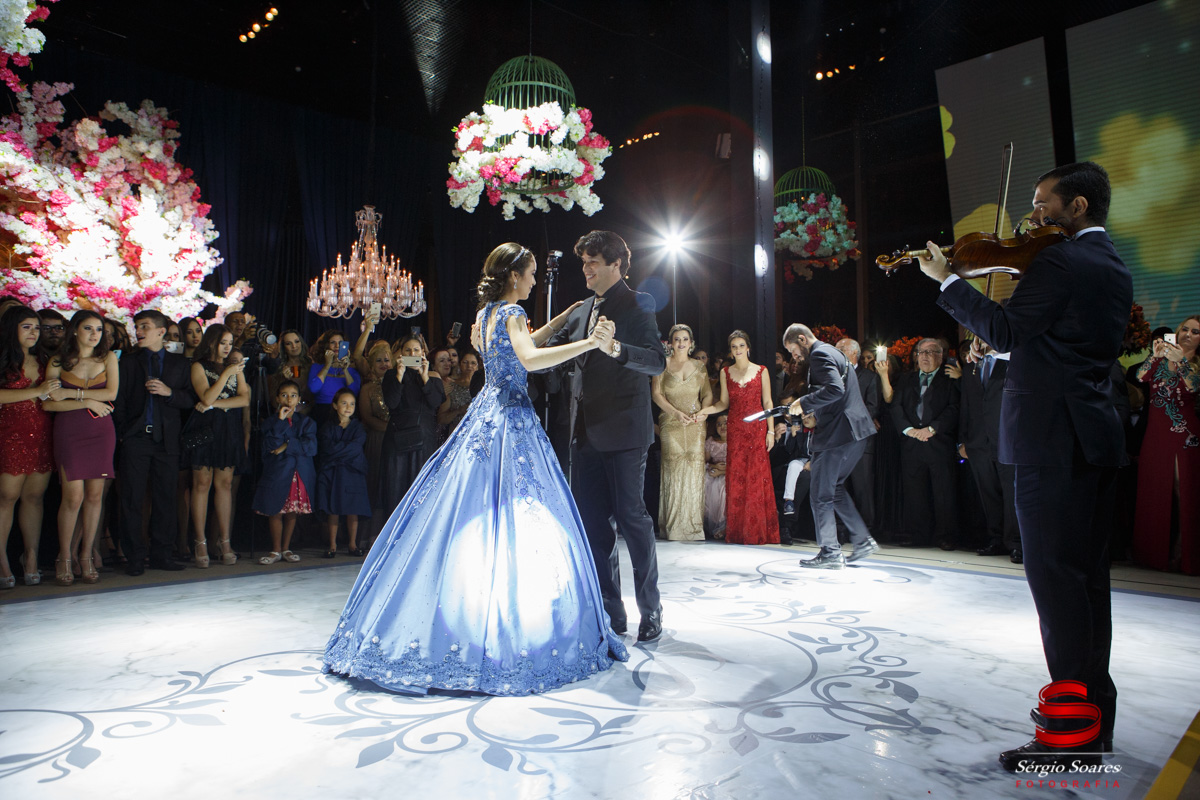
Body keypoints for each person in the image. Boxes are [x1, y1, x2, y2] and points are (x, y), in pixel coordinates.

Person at [322, 242, 629, 695]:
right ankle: (508, 620)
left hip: (484, 415)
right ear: (513, 276)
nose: (534, 281)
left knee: (468, 509)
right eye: (530, 274)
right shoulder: (512, 314)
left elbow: (521, 344)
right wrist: (588, 342)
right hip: (511, 419)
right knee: (516, 512)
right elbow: (528, 358)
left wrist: (563, 319)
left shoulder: (487, 315)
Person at [920, 161, 1132, 771]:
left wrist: (945, 279)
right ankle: (1094, 725)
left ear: (1079, 206)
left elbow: (1006, 330)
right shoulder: (1113, 265)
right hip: (1092, 439)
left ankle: (1070, 740)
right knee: (1087, 587)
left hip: (1051, 443)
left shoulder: (1059, 261)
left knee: (1058, 591)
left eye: (1043, 204)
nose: (1032, 216)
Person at [542, 230, 667, 641]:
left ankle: (651, 609)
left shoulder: (637, 304)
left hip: (626, 432)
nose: (586, 270)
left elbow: (656, 362)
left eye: (593, 262)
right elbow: (545, 357)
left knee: (633, 520)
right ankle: (611, 613)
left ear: (616, 264)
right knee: (594, 525)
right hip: (583, 435)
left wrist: (615, 349)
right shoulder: (580, 311)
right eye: (584, 263)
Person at [782, 324, 878, 568]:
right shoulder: (834, 352)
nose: (794, 357)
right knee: (833, 489)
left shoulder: (819, 354)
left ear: (802, 339)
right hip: (855, 433)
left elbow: (835, 389)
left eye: (793, 350)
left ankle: (830, 552)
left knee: (821, 494)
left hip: (838, 435)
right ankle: (862, 540)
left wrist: (804, 402)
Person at [113, 310, 194, 576]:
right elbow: (118, 401)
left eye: (144, 326)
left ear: (161, 331)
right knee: (132, 499)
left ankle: (162, 554)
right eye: (137, 326)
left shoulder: (180, 364)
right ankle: (135, 557)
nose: (138, 331)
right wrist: (123, 433)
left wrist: (170, 393)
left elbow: (191, 400)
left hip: (167, 440)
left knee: (166, 499)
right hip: (136, 438)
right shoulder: (128, 362)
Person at [43, 311, 118, 585]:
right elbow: (49, 403)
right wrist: (87, 402)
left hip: (101, 431)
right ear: (75, 330)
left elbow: (111, 394)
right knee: (72, 498)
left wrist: (72, 394)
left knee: (95, 497)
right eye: (88, 328)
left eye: (99, 329)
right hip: (70, 431)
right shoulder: (57, 361)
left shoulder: (108, 358)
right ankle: (64, 557)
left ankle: (85, 556)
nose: (95, 334)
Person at [697, 330, 780, 546]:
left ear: (748, 347)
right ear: (731, 350)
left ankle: (757, 531)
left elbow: (768, 403)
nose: (738, 349)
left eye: (741, 345)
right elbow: (724, 403)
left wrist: (771, 431)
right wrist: (706, 411)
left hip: (756, 430)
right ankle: (737, 532)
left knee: (756, 477)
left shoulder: (761, 371)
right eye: (734, 346)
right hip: (735, 430)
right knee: (737, 478)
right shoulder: (726, 372)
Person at [1132, 315, 1199, 574]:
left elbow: (1192, 387)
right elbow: (1140, 376)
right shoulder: (1159, 361)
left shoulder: (1195, 364)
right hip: (1156, 433)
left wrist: (1180, 361)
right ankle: (1151, 554)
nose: (1188, 335)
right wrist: (1155, 355)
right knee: (1154, 488)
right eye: (1185, 329)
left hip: (1184, 433)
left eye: (1195, 332)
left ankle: (1183, 553)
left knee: (1185, 492)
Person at [0, 306, 59, 588]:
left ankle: (31, 557)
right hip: (9, 434)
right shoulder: (3, 360)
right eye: (27, 327)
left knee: (34, 497)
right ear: (12, 328)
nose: (34, 332)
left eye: (37, 327)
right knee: (7, 497)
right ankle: (2, 560)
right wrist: (36, 390)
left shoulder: (46, 359)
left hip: (43, 434)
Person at [185, 323, 249, 568]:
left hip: (228, 429)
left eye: (230, 343)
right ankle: (200, 541)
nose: (227, 348)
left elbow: (243, 399)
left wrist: (214, 405)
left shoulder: (235, 367)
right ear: (211, 342)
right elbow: (207, 396)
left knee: (225, 484)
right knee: (201, 483)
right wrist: (225, 375)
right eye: (223, 343)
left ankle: (225, 541)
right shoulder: (198, 366)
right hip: (204, 429)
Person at [889, 338, 960, 549]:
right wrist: (909, 430)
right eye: (921, 352)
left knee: (943, 492)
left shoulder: (950, 379)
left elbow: (954, 408)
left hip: (939, 442)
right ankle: (919, 535)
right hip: (912, 443)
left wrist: (931, 429)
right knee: (915, 492)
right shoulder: (907, 379)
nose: (925, 357)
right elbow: (896, 406)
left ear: (941, 356)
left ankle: (946, 536)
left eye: (930, 352)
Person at [959, 338, 1021, 562]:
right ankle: (996, 539)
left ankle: (1016, 543)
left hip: (1007, 439)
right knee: (988, 493)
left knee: (1011, 494)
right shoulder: (971, 366)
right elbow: (966, 404)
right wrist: (962, 440)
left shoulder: (1013, 362)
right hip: (978, 441)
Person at [651, 324, 712, 542]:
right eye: (677, 339)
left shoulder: (699, 366)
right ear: (670, 343)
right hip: (671, 422)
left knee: (694, 471)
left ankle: (694, 528)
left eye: (685, 339)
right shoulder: (662, 364)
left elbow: (707, 394)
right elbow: (656, 394)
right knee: (673, 471)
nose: (681, 343)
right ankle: (673, 528)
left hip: (696, 424)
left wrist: (704, 412)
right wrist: (675, 413)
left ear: (691, 343)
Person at [379, 334, 445, 512]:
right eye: (407, 350)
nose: (412, 353)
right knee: (396, 486)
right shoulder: (392, 375)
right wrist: (399, 375)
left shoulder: (433, 376)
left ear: (423, 352)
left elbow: (435, 403)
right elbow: (392, 402)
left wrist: (424, 376)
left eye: (416, 350)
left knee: (421, 485)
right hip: (398, 439)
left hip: (424, 438)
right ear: (401, 353)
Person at [253, 379, 317, 565]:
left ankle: (286, 548)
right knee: (276, 511)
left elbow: (310, 447)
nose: (289, 399)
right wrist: (281, 422)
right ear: (277, 399)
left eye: (293, 395)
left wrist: (286, 445)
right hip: (277, 472)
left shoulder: (306, 422)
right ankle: (275, 550)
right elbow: (271, 446)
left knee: (291, 512)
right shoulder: (270, 422)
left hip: (299, 473)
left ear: (299, 399)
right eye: (284, 395)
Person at [316, 388, 371, 558]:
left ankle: (352, 544)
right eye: (344, 403)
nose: (348, 407)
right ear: (334, 405)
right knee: (333, 508)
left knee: (353, 508)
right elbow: (327, 448)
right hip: (332, 472)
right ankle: (332, 545)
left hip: (353, 472)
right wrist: (343, 452)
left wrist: (338, 452)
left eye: (352, 404)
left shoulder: (359, 428)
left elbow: (356, 448)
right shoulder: (327, 427)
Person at [836, 338, 881, 534]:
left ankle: (865, 529)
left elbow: (872, 408)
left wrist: (848, 423)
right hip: (836, 441)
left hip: (860, 440)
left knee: (863, 486)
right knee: (839, 486)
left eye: (840, 349)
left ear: (853, 353)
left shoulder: (869, 377)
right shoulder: (832, 375)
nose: (836, 353)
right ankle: (840, 529)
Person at [357, 340, 392, 545]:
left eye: (386, 360)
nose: (383, 364)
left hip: (397, 442)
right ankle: (371, 535)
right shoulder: (368, 388)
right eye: (378, 360)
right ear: (371, 364)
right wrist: (391, 428)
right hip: (377, 440)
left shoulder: (399, 384)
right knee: (376, 484)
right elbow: (367, 417)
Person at [307, 330, 362, 425]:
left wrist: (345, 370)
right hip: (322, 412)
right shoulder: (317, 367)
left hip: (345, 413)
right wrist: (327, 365)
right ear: (326, 346)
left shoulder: (352, 370)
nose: (337, 346)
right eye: (333, 342)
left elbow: (354, 393)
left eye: (340, 343)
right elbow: (313, 388)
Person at [703, 412, 729, 538]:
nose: (722, 426)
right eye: (719, 424)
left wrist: (723, 471)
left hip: (730, 473)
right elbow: (706, 462)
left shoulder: (736, 441)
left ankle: (724, 526)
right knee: (705, 483)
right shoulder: (711, 441)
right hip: (715, 472)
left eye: (725, 423)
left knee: (723, 486)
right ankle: (711, 523)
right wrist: (714, 467)